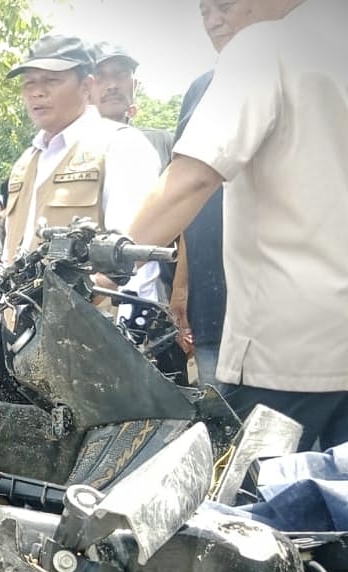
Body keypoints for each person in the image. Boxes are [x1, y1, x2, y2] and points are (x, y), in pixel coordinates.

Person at [126, 0, 348, 451]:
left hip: (287, 352)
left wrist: (106, 258)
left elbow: (192, 178)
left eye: (225, 3)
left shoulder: (265, 47)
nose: (213, 18)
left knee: (244, 508)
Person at [1, 35, 162, 303]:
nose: (37, 92)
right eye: (29, 82)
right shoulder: (26, 161)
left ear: (87, 86)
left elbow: (130, 260)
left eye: (52, 80)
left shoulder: (120, 145)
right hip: (30, 331)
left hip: (98, 332)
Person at [168, 0, 265, 390]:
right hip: (211, 306)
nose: (213, 21)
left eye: (224, 6)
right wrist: (180, 289)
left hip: (284, 312)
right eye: (204, 11)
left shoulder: (311, 72)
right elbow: (190, 196)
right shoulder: (199, 91)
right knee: (223, 436)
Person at [92, 43, 175, 169]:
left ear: (135, 86)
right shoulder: (66, 146)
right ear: (85, 88)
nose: (112, 85)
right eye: (100, 76)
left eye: (122, 75)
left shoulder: (163, 143)